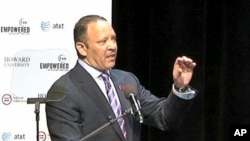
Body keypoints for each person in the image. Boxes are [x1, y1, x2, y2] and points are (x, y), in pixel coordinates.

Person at [45, 15, 198, 141]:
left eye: (114, 39)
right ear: (82, 48)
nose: (112, 46)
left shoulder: (127, 81)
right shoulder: (63, 92)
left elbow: (163, 117)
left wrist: (180, 87)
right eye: (103, 41)